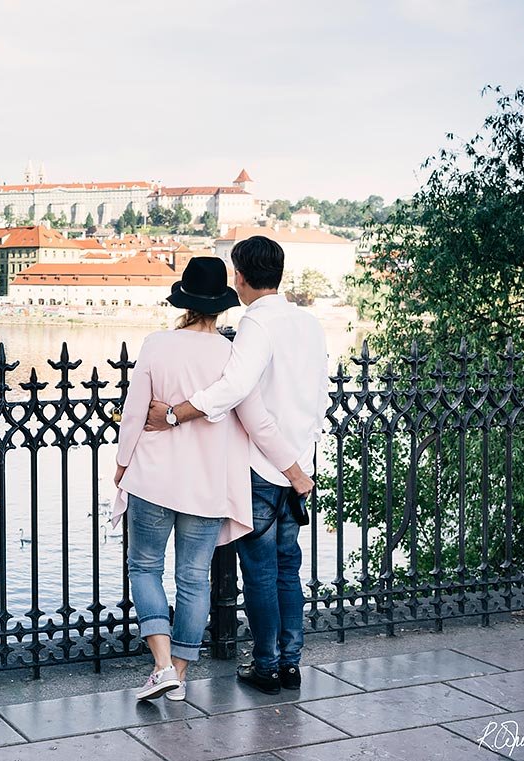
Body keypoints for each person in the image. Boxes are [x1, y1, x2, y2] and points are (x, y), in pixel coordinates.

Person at [112, 256, 311, 702]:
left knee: (144, 567)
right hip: (205, 487)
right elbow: (258, 422)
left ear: (182, 299)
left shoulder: (156, 344)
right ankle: (178, 674)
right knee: (193, 578)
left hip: (152, 479)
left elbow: (133, 414)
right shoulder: (231, 353)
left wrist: (123, 466)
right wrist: (295, 472)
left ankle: (161, 665)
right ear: (223, 303)